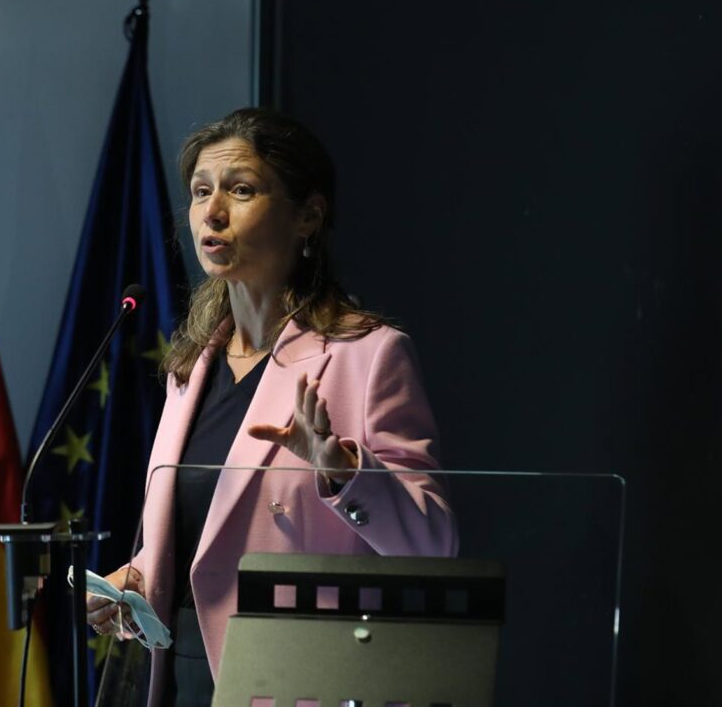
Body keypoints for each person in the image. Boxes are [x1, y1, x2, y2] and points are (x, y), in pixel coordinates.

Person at [86, 107, 457, 706]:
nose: (212, 211)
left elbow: (434, 543)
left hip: (298, 682)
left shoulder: (368, 356)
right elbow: (204, 542)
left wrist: (344, 475)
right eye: (201, 191)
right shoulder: (191, 366)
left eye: (240, 190)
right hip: (181, 674)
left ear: (307, 214)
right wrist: (134, 580)